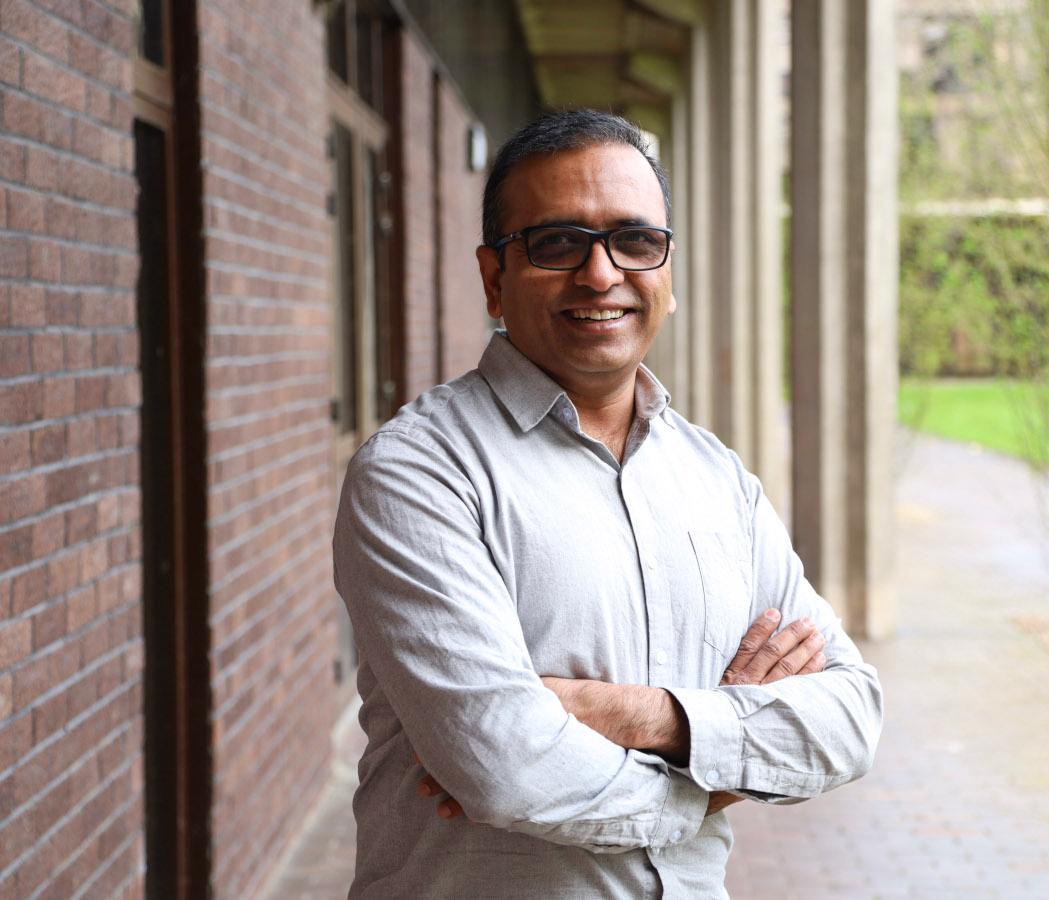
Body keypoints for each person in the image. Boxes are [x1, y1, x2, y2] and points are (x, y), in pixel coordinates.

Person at [332, 108, 883, 899]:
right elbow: (508, 768)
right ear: (495, 277)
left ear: (666, 269)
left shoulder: (717, 479)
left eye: (635, 240)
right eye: (557, 243)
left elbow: (850, 717)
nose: (601, 274)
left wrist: (643, 718)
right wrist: (724, 767)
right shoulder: (418, 474)